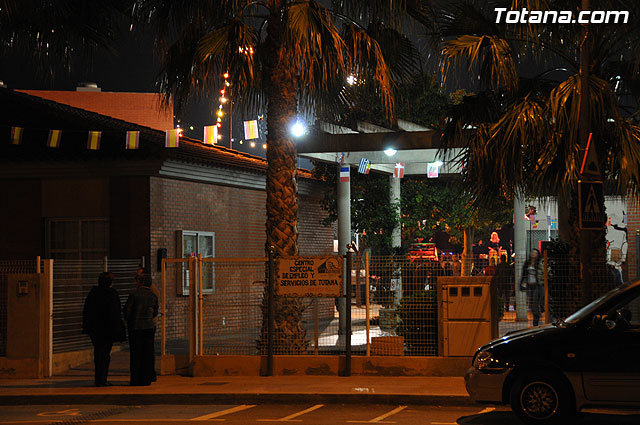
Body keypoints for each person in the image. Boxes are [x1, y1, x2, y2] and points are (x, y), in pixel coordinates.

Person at [82, 271, 126, 387]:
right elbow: (116, 313)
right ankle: (102, 378)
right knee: (105, 354)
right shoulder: (112, 294)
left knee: (98, 353)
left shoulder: (93, 293)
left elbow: (87, 311)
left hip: (95, 330)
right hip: (107, 330)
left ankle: (98, 378)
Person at [124, 273, 158, 386]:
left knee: (135, 354)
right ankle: (146, 379)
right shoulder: (153, 296)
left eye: (137, 281)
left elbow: (127, 311)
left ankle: (135, 379)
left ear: (141, 282)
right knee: (147, 354)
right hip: (148, 327)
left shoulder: (134, 294)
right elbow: (155, 312)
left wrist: (130, 322)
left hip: (136, 327)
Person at [520, 248, 544, 326]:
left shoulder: (539, 263)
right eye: (532, 252)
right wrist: (522, 284)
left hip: (537, 285)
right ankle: (536, 317)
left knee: (535, 300)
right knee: (533, 303)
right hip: (530, 285)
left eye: (535, 253)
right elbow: (524, 274)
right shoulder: (527, 263)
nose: (533, 254)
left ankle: (536, 317)